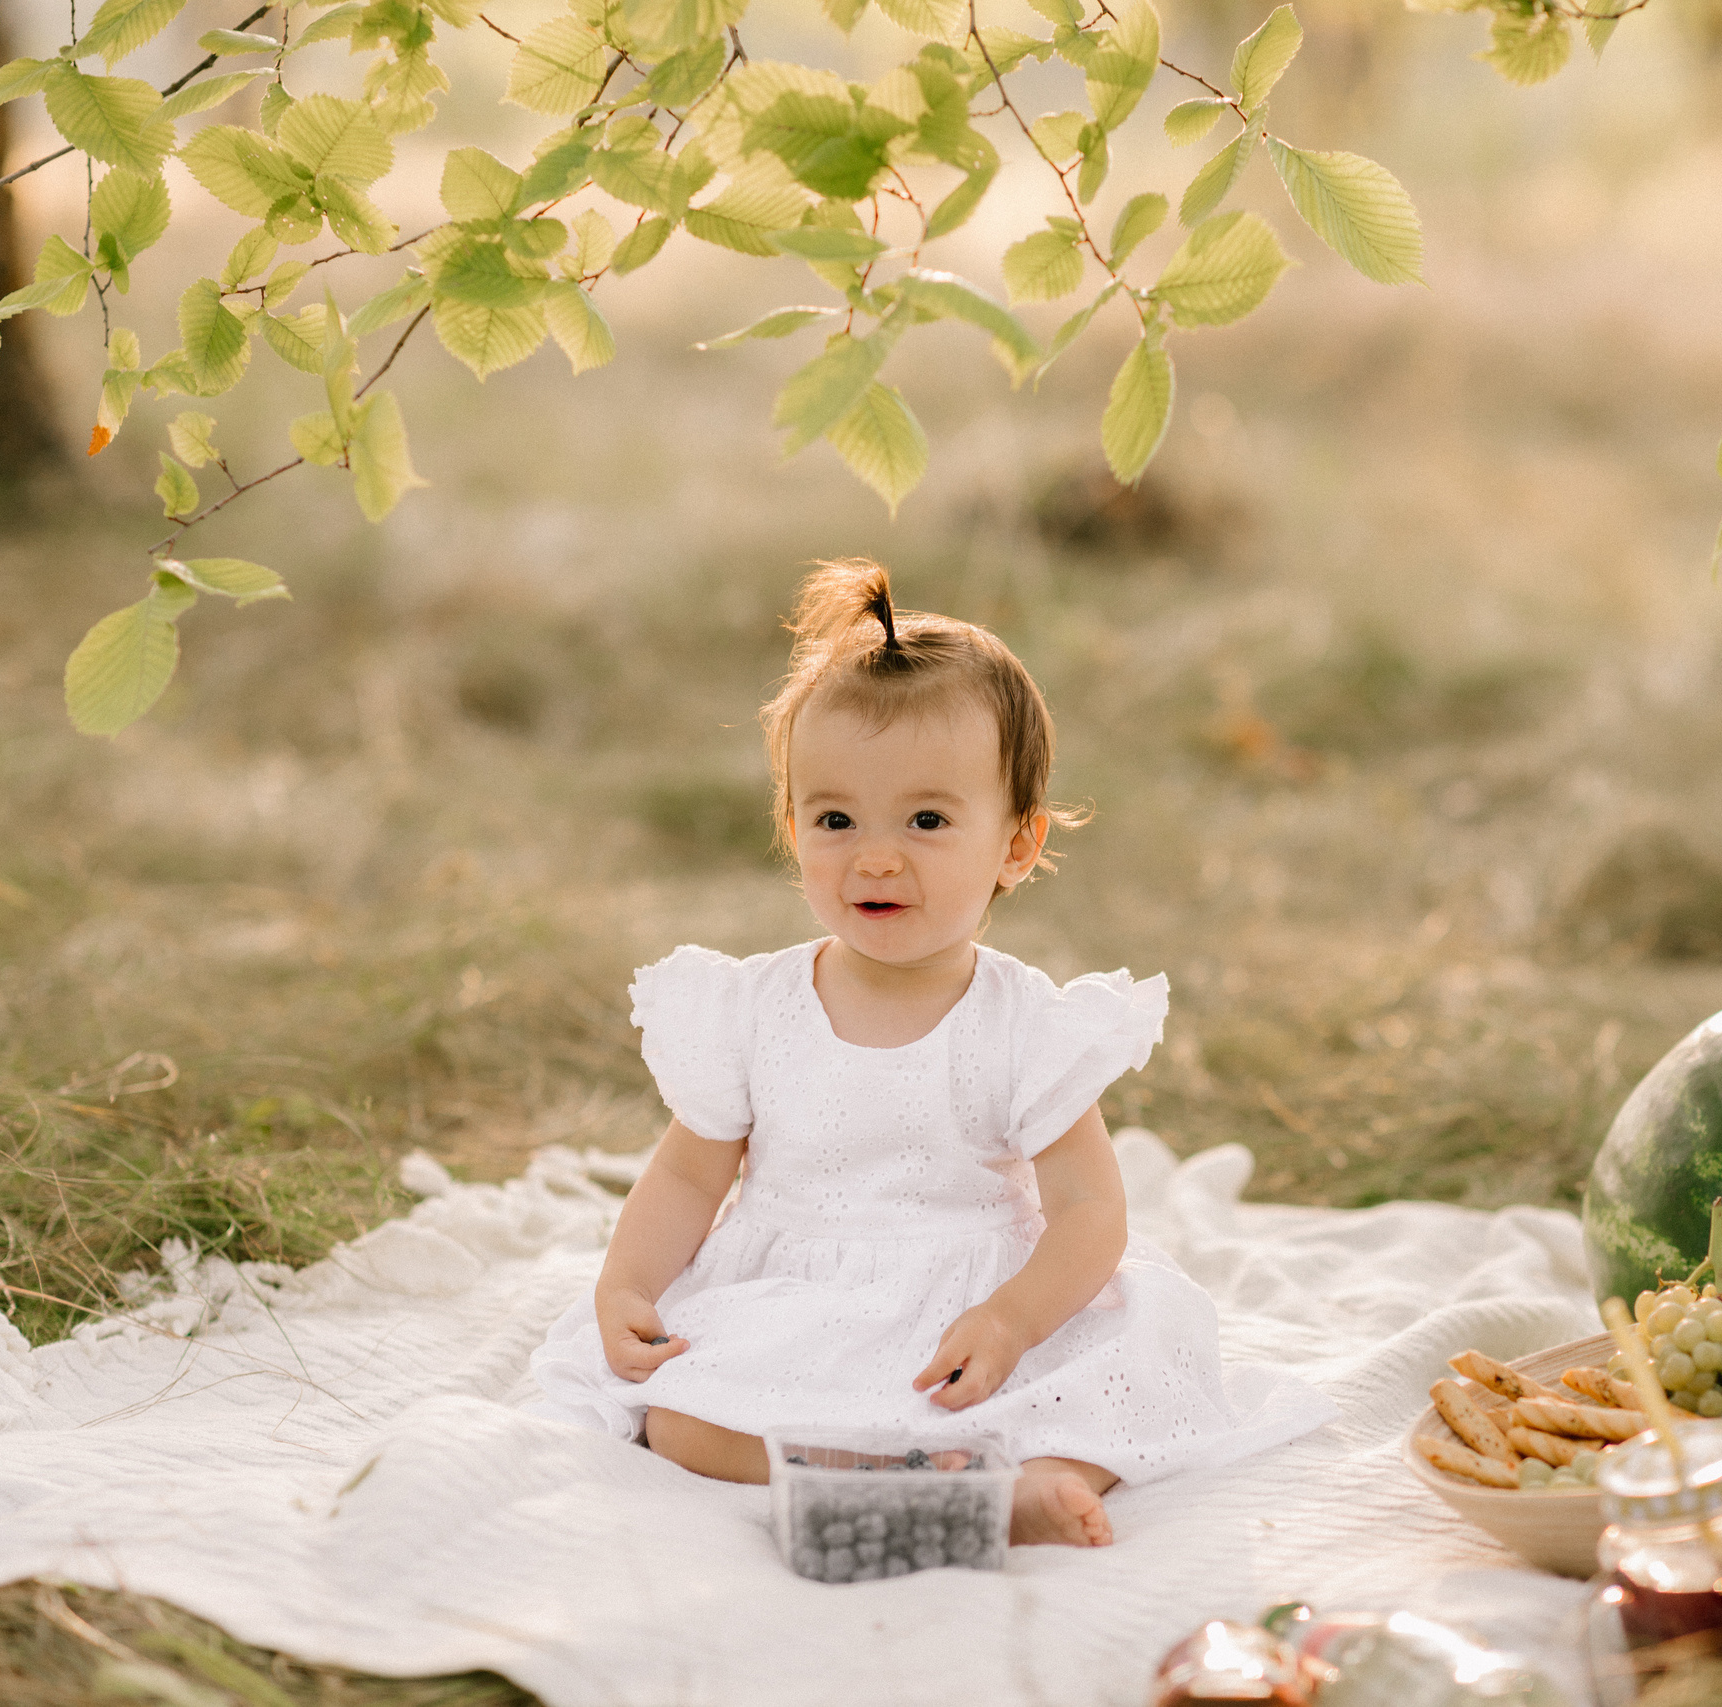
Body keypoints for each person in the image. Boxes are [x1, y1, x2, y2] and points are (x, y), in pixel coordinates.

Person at [527, 559, 1334, 1546]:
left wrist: (1014, 1318)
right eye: (835, 819)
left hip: (974, 1293)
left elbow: (1089, 1209)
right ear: (791, 827)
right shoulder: (753, 1009)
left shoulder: (1022, 1024)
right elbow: (690, 1176)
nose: (875, 856)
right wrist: (626, 1285)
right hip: (801, 1298)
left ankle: (1027, 1482)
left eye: (926, 820)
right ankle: (917, 1484)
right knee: (679, 1419)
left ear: (1016, 846)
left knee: (1129, 1366)